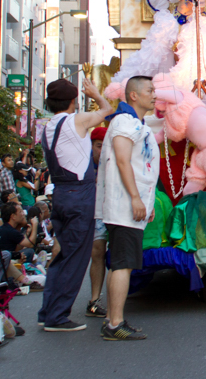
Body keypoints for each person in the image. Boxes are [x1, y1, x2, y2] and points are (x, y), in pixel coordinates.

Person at [38, 77, 114, 333]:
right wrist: (95, 94)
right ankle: (57, 317)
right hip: (79, 193)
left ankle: (48, 310)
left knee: (62, 255)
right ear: (73, 100)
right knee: (76, 258)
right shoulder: (75, 120)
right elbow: (107, 111)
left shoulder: (49, 126)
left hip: (60, 192)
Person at [96, 76, 159, 340]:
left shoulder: (136, 123)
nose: (155, 95)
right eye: (149, 90)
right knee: (123, 264)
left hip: (131, 206)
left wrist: (148, 200)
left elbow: (141, 166)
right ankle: (115, 324)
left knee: (123, 263)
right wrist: (135, 197)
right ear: (133, 95)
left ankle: (112, 319)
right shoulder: (123, 122)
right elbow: (122, 161)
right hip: (123, 206)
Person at [86, 126, 108, 319]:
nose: (102, 150)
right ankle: (94, 300)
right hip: (93, 214)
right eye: (98, 146)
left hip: (114, 211)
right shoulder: (84, 166)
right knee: (97, 252)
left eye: (105, 146)